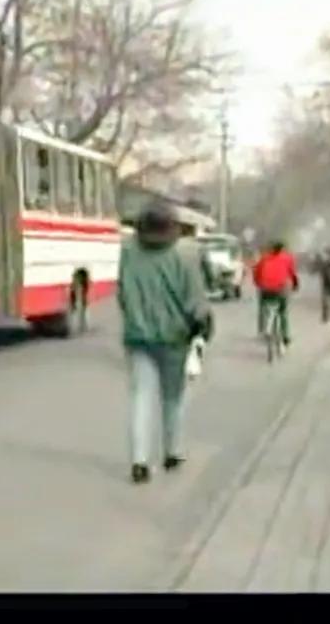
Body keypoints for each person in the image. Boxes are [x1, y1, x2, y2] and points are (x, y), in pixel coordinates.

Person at [118, 201, 213, 485]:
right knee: (173, 397)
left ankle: (139, 461)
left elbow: (122, 292)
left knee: (140, 397)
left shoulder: (128, 252)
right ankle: (172, 452)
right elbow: (195, 300)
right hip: (175, 337)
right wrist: (203, 326)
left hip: (138, 335)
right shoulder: (184, 255)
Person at [253, 240, 299, 348]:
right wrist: (295, 285)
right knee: (283, 312)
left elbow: (257, 273)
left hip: (265, 290)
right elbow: (292, 274)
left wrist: (258, 284)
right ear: (283, 249)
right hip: (280, 290)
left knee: (263, 307)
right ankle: (285, 336)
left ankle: (264, 328)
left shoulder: (264, 258)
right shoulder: (287, 258)